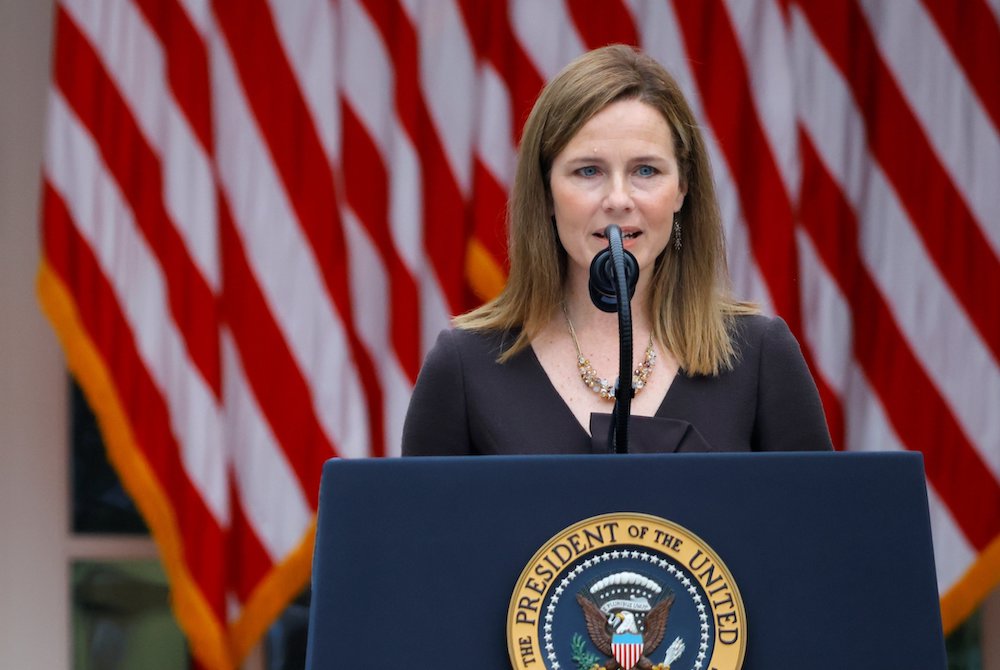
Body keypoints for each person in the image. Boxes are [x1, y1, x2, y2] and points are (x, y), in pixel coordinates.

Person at [402, 45, 832, 456]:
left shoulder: (759, 356)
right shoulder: (463, 366)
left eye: (646, 170)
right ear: (546, 192)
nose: (619, 199)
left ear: (683, 188)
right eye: (588, 171)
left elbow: (817, 528)